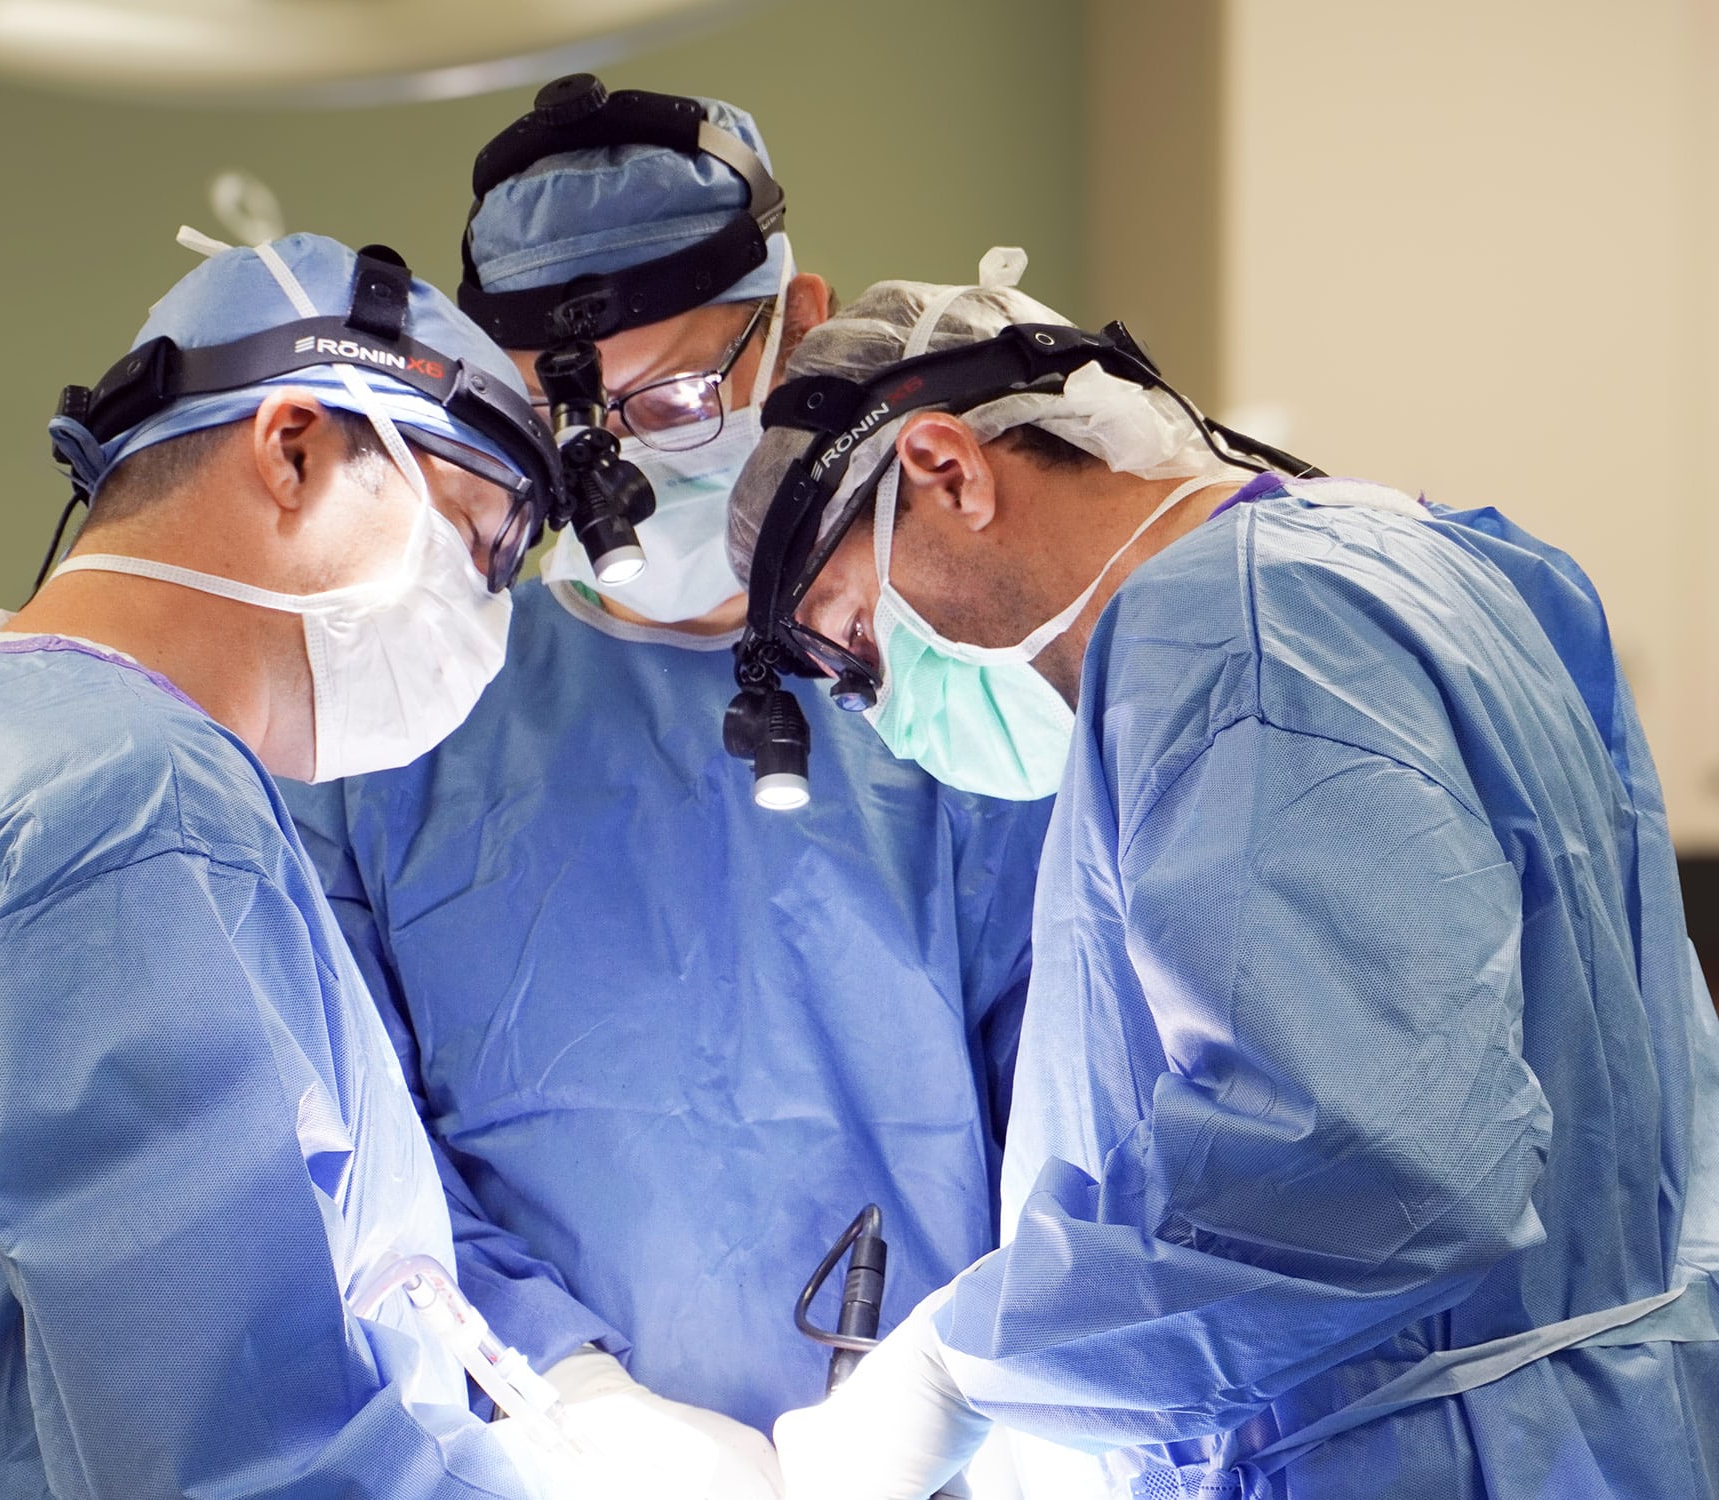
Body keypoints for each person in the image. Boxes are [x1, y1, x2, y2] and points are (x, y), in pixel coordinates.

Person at [726, 255, 1719, 1498]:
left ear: (946, 470)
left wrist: (959, 1372)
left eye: (854, 640)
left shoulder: (1237, 632)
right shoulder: (1408, 561)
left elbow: (1358, 1169)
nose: (879, 708)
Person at [0, 231, 684, 1499]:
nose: (482, 622)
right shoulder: (133, 805)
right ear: (292, 450)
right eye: (474, 545)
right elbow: (241, 1461)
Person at [279, 78, 1054, 1479]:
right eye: (565, 412)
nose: (622, 465)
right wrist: (566, 1388)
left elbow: (1080, 1131)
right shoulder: (396, 727)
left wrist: (964, 1384)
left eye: (684, 397)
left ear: (800, 327)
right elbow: (344, 1141)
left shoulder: (959, 698)